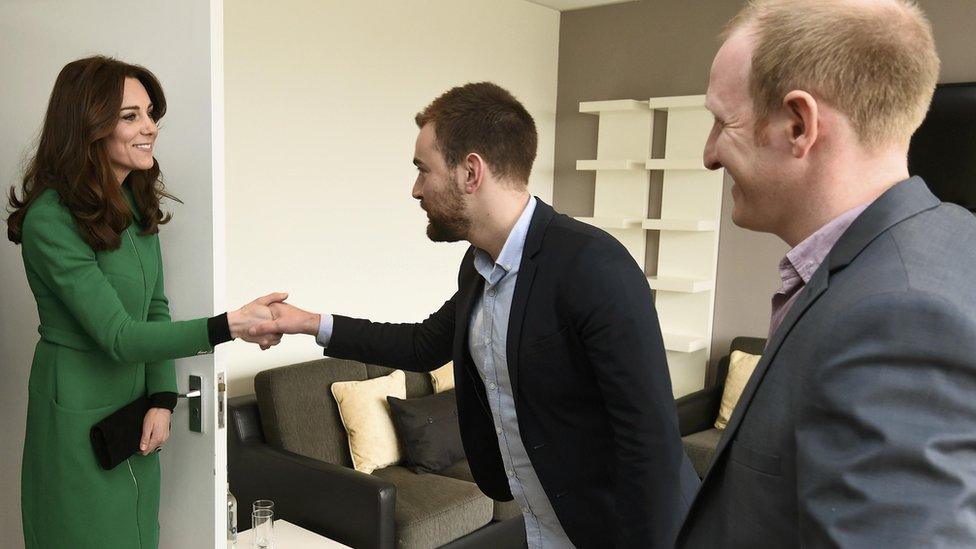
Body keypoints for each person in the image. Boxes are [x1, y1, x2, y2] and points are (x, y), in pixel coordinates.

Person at [250, 82, 699, 548]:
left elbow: (650, 442)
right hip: (544, 526)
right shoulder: (479, 266)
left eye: (424, 170)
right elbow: (423, 345)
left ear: (471, 172)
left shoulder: (594, 267)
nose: (415, 189)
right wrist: (307, 322)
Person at [677, 0, 976, 546]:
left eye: (724, 121)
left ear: (799, 125)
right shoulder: (950, 241)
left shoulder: (897, 316)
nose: (709, 154)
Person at [6, 56, 285, 549]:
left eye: (150, 113)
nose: (150, 128)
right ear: (87, 126)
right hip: (75, 413)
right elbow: (119, 336)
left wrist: (160, 398)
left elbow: (154, 307)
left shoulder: (134, 201)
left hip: (132, 414)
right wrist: (230, 325)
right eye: (130, 116)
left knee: (138, 536)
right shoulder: (49, 219)